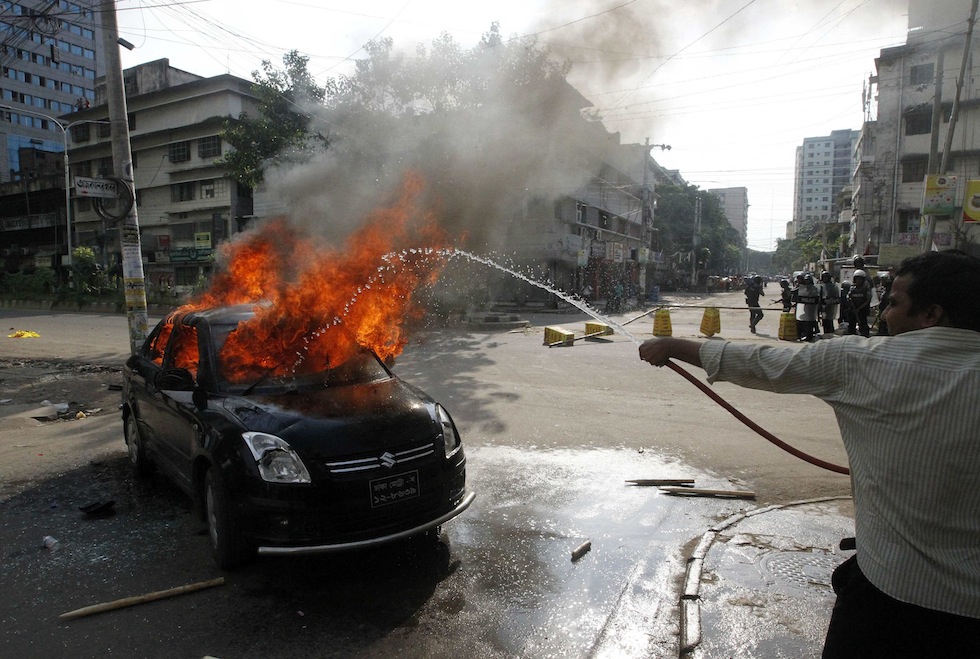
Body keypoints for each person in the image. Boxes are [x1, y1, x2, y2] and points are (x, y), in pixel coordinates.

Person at [638, 250, 980, 657]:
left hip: (892, 593)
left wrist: (673, 345)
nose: (884, 314)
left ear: (931, 314)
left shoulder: (859, 359)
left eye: (893, 303)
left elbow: (764, 363)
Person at [793, 273, 821, 342]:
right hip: (804, 307)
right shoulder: (803, 288)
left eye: (808, 280)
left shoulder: (814, 289)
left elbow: (817, 298)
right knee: (800, 321)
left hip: (811, 308)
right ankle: (800, 335)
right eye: (806, 280)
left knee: (810, 323)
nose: (807, 282)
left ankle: (809, 336)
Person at [846, 270, 873, 337]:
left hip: (862, 309)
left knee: (863, 325)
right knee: (851, 325)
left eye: (860, 279)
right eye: (857, 279)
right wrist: (848, 299)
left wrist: (859, 308)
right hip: (853, 309)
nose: (858, 280)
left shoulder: (866, 288)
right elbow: (848, 296)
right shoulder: (852, 288)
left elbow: (868, 300)